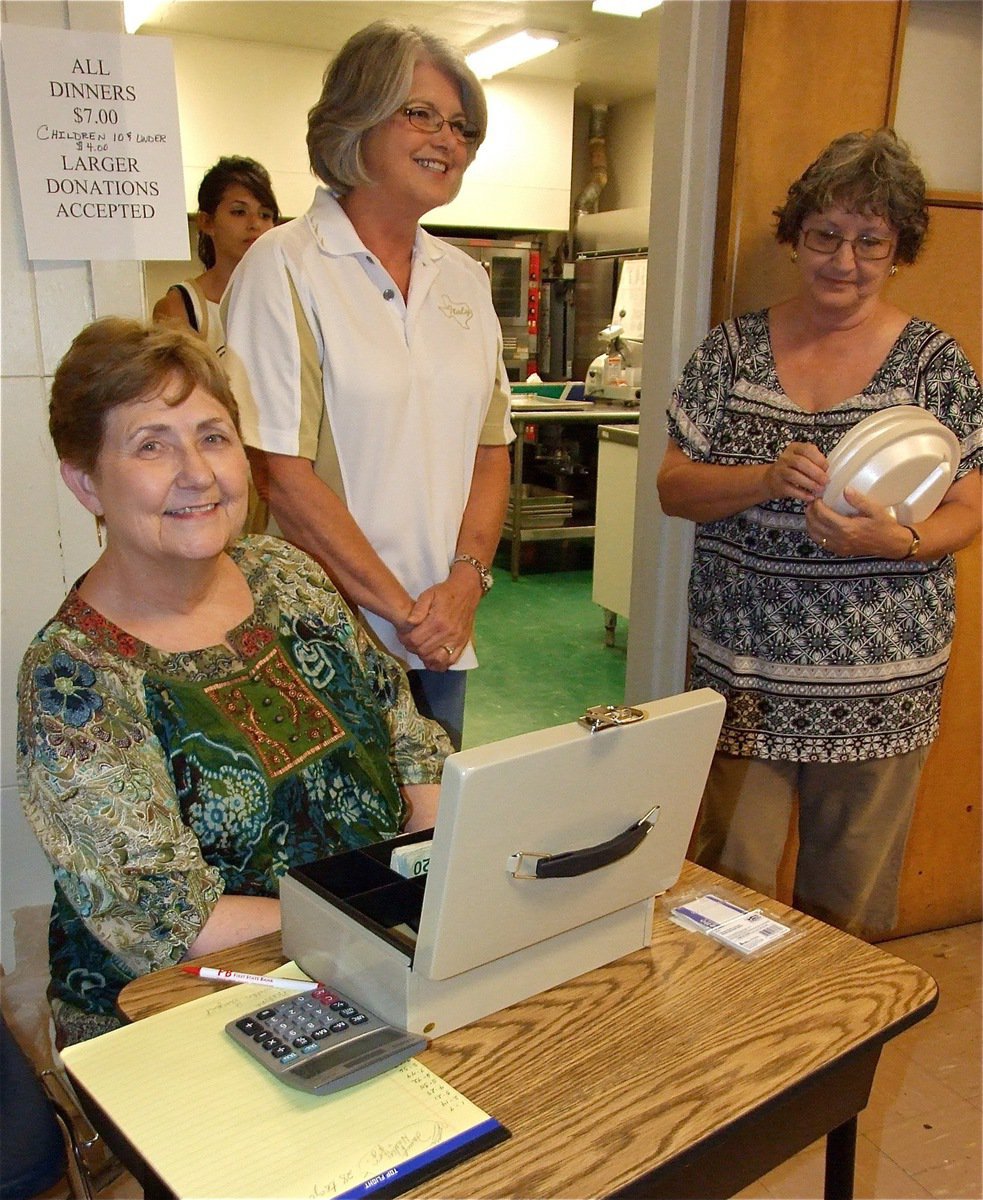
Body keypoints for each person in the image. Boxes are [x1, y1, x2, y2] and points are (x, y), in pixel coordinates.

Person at [17, 318, 451, 1047]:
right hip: (195, 1006)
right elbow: (171, 926)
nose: (197, 473)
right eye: (151, 445)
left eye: (213, 437)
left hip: (377, 950)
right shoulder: (75, 681)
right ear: (85, 480)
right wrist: (386, 912)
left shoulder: (286, 575)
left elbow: (408, 747)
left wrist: (439, 875)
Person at [657, 129, 982, 939]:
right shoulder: (729, 353)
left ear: (898, 248)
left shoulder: (933, 363)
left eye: (870, 242)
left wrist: (894, 542)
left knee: (849, 906)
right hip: (745, 678)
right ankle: (730, 1053)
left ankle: (833, 1057)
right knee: (722, 900)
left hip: (879, 686)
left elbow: (969, 507)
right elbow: (672, 488)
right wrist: (760, 480)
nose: (844, 260)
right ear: (794, 237)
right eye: (825, 237)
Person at [222, 20, 514, 751]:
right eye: (420, 114)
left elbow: (490, 451)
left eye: (461, 126)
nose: (447, 139)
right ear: (355, 118)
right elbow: (279, 472)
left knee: (428, 852)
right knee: (342, 861)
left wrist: (463, 589)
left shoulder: (465, 281)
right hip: (322, 636)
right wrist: (405, 613)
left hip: (443, 636)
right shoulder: (284, 265)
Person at [153, 156, 279, 352]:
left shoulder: (288, 296)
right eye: (239, 212)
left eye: (265, 215)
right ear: (206, 222)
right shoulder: (181, 307)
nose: (255, 224)